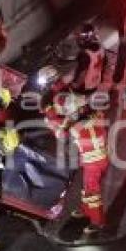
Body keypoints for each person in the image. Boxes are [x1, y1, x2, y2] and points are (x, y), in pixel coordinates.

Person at [44, 92, 108, 235]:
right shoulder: (97, 115)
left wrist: (51, 116)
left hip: (92, 164)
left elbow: (61, 135)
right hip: (99, 160)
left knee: (92, 193)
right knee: (87, 188)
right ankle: (86, 210)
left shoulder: (75, 129)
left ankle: (97, 222)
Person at [71, 22, 106, 94]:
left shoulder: (85, 55)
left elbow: (82, 73)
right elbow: (104, 64)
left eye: (78, 38)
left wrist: (75, 85)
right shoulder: (101, 48)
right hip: (96, 82)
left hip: (85, 87)